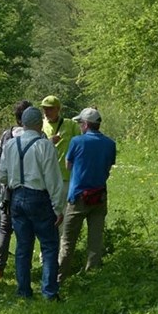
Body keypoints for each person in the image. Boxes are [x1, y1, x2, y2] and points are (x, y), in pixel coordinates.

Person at [0, 107, 65, 301]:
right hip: (39, 197)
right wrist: (58, 207)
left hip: (16, 197)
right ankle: (49, 292)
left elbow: (1, 175)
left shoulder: (10, 144)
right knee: (49, 246)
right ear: (39, 124)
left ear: (23, 123)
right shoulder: (45, 145)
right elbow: (53, 180)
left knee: (23, 246)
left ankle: (24, 290)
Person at [58, 107, 116, 282]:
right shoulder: (110, 143)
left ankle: (59, 278)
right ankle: (92, 278)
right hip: (99, 196)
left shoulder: (77, 141)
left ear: (85, 124)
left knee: (68, 241)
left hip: (78, 197)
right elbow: (108, 166)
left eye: (80, 123)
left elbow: (68, 165)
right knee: (95, 242)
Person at [0, 100, 32, 280]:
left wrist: (5, 182)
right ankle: (24, 269)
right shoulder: (39, 137)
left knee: (5, 228)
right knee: (29, 229)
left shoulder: (7, 135)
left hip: (8, 191)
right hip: (32, 190)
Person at [40, 95, 81, 202]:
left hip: (66, 174)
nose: (46, 111)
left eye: (50, 108)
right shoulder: (40, 125)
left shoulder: (71, 125)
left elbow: (80, 146)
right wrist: (49, 141)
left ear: (58, 109)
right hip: (47, 174)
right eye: (44, 108)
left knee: (66, 209)